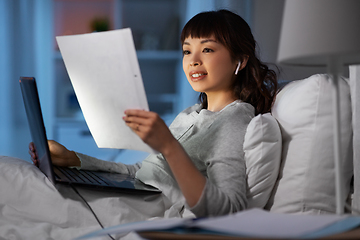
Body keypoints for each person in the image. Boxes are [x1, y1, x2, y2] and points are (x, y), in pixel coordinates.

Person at [30, 9, 277, 219]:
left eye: (208, 50)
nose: (193, 61)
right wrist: (76, 159)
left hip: (143, 211)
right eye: (187, 51)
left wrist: (169, 146)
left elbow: (228, 211)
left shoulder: (233, 121)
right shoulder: (192, 114)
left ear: (241, 61)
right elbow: (141, 171)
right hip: (133, 197)